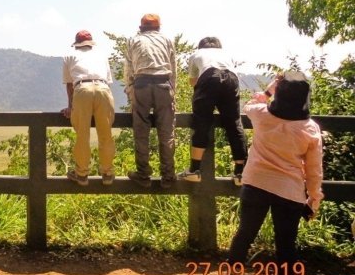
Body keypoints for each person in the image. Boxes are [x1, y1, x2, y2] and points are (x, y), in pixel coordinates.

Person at [225, 71, 323, 275]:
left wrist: (270, 89)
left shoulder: (262, 115)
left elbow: (249, 104)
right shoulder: (310, 129)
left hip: (255, 182)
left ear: (281, 93)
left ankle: (233, 274)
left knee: (246, 232)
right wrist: (313, 199)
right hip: (290, 190)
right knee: (286, 240)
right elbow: (314, 171)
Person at [178, 37, 248, 185]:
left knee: (202, 121)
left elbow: (192, 81)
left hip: (209, 76)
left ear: (200, 46)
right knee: (234, 123)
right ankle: (240, 173)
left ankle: (194, 170)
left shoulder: (197, 54)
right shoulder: (227, 54)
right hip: (231, 79)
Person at [123, 13, 177, 188]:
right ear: (159, 27)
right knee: (167, 132)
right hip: (163, 84)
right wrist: (172, 92)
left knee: (141, 131)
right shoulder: (167, 40)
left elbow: (128, 69)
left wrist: (130, 93)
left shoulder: (134, 40)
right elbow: (173, 68)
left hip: (142, 85)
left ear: (141, 28)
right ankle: (168, 176)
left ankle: (143, 174)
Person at [60, 30, 116, 186]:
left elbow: (70, 84)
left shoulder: (69, 56)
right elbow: (107, 80)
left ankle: (82, 174)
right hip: (103, 89)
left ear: (76, 44)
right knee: (106, 134)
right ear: (91, 44)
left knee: (82, 135)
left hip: (82, 89)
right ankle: (107, 174)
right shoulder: (101, 55)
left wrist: (71, 106)